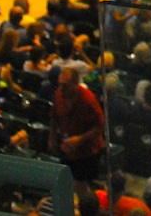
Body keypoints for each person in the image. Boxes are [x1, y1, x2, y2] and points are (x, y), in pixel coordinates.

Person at [52, 63, 108, 208]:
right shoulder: (58, 95)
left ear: (75, 84)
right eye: (60, 84)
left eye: (65, 85)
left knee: (83, 186)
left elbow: (100, 126)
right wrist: (51, 138)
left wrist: (80, 139)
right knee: (66, 180)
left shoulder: (88, 100)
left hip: (87, 152)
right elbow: (54, 117)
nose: (62, 88)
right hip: (67, 147)